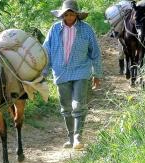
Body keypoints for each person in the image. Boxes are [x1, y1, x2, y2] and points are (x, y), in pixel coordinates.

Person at [42, 0, 102, 149]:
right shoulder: (54, 29)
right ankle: (70, 137)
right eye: (66, 14)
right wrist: (43, 72)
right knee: (66, 107)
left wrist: (97, 73)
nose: (69, 17)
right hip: (61, 72)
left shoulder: (86, 29)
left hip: (81, 71)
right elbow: (46, 51)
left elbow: (95, 53)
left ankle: (78, 137)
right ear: (62, 15)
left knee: (78, 104)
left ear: (77, 15)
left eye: (72, 14)